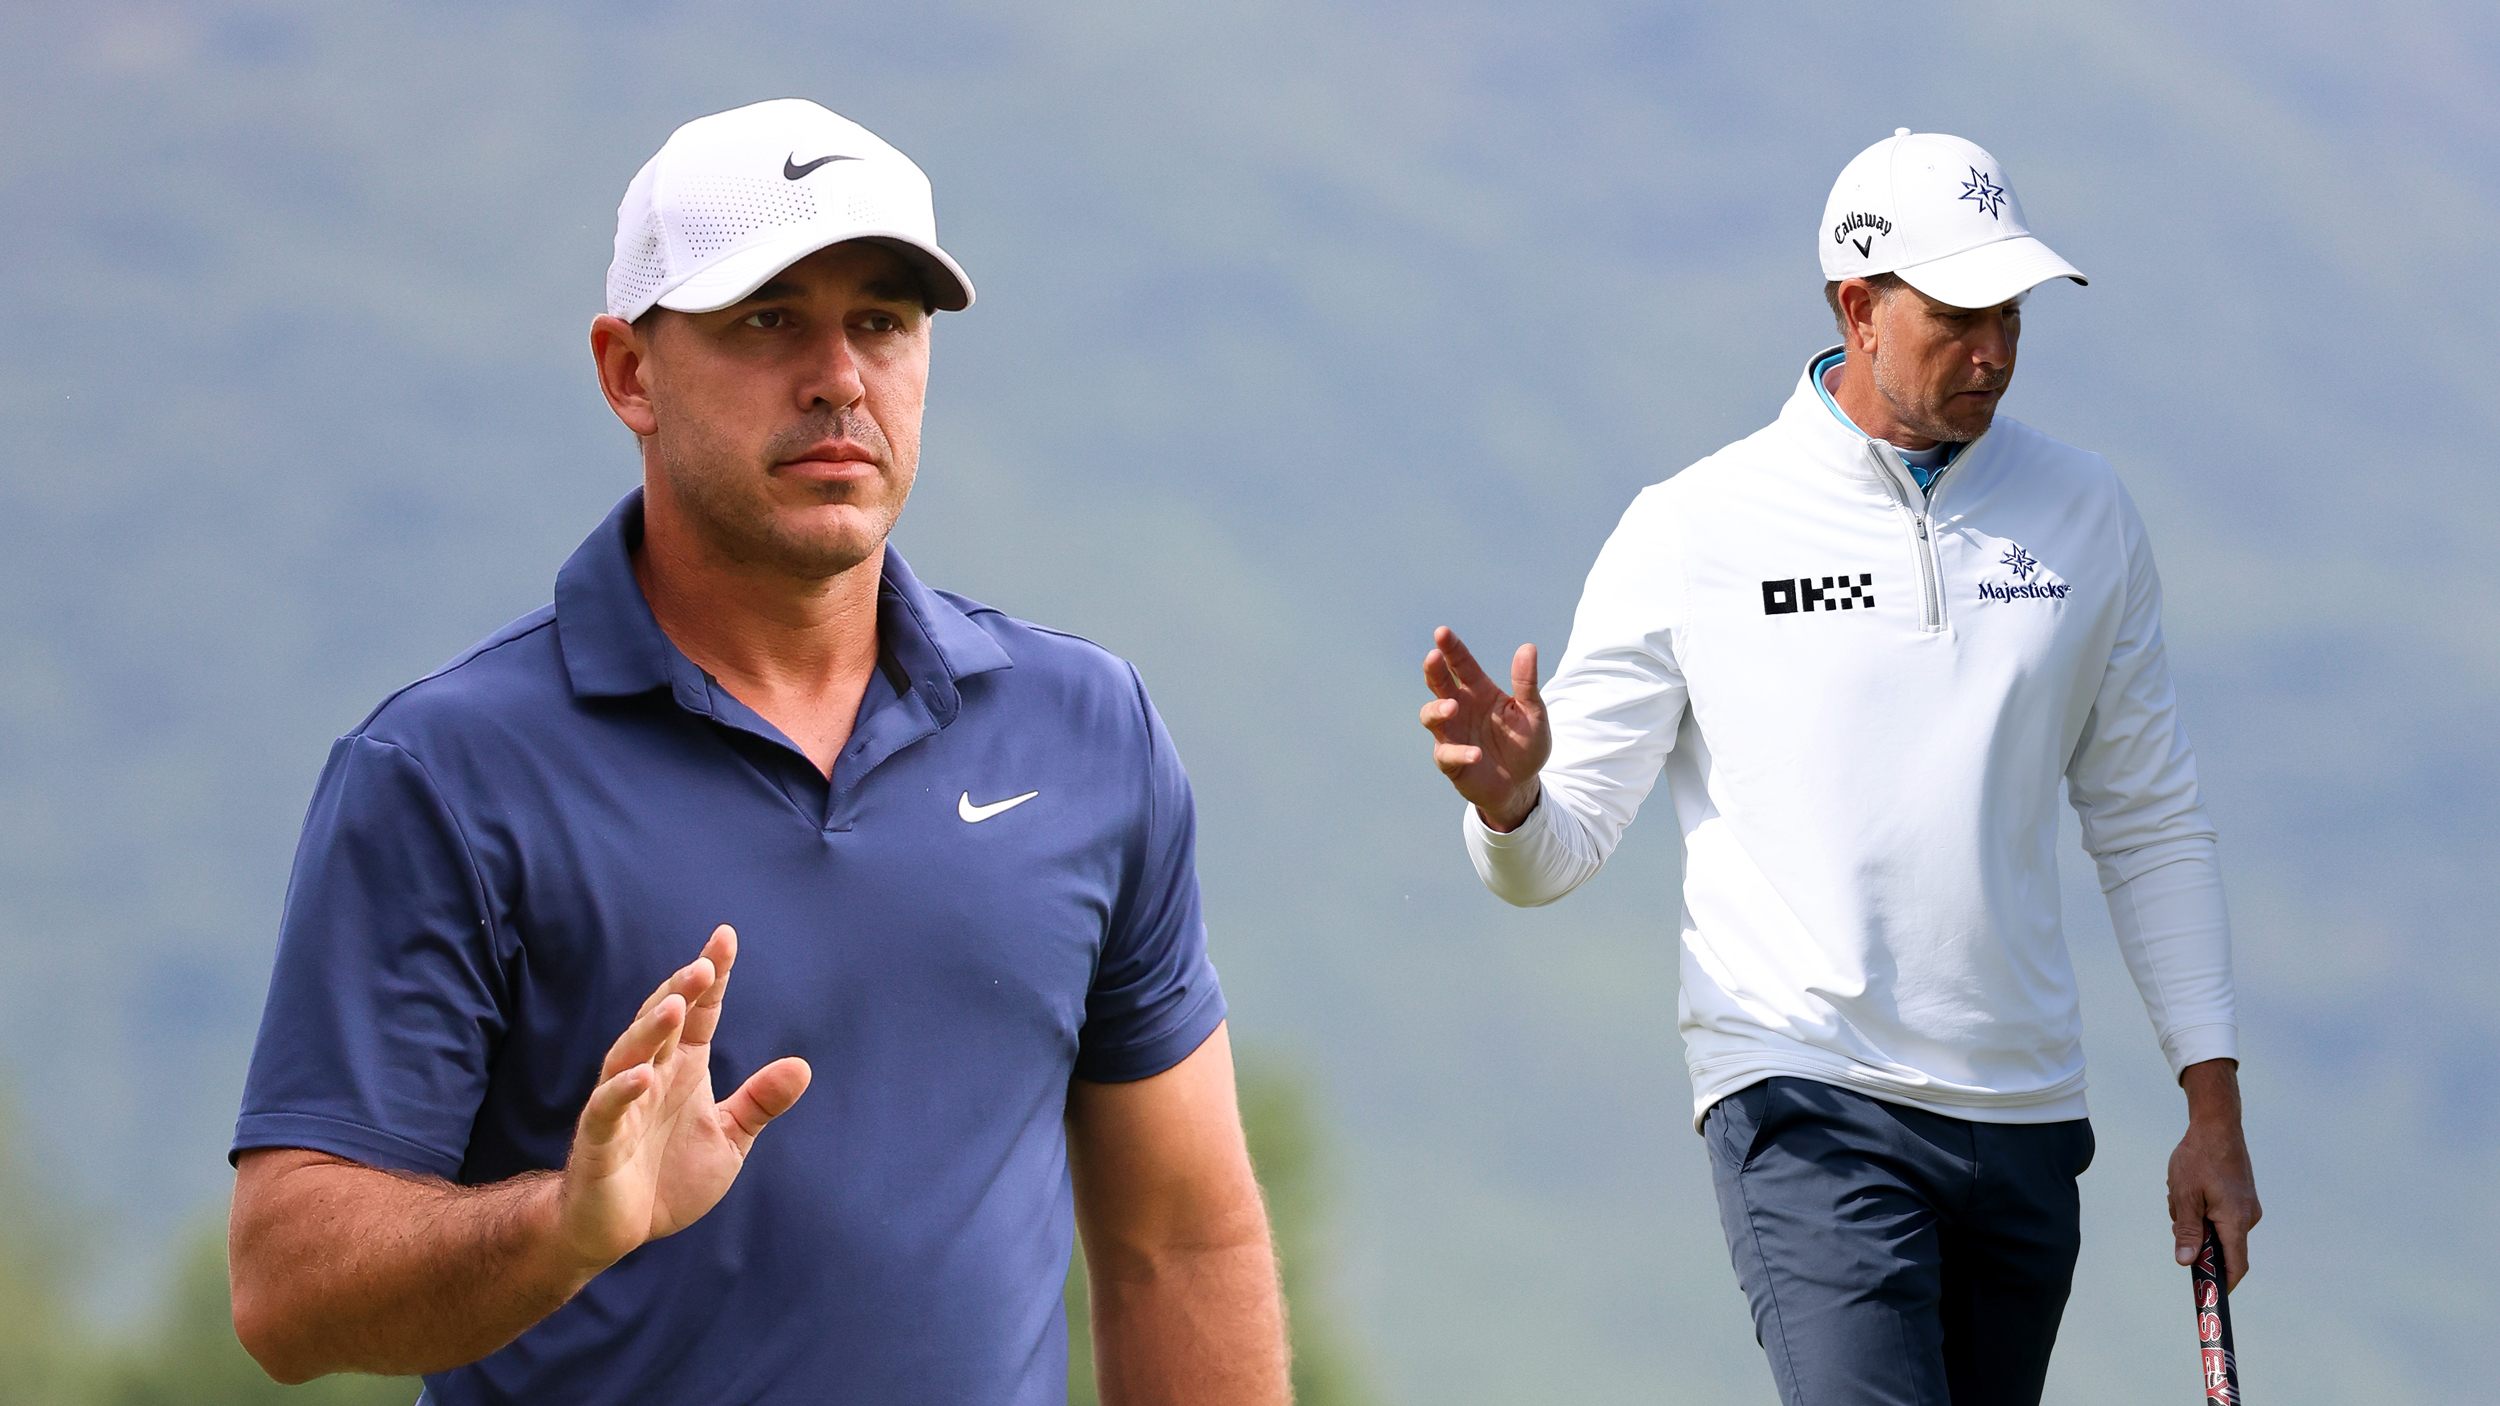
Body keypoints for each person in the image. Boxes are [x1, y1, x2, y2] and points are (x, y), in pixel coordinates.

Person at [227, 98, 1288, 1406]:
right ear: (629, 372)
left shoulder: (1084, 732)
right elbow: (284, 1290)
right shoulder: (446, 772)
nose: (839, 373)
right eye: (767, 318)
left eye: (884, 322)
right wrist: (568, 1222)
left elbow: (1176, 1242)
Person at [1420, 129, 2260, 1406]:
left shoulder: (2086, 512)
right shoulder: (1694, 525)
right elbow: (1555, 852)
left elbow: (2147, 822)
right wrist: (1511, 799)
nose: (1993, 351)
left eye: (2012, 313)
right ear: (1856, 309)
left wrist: (2212, 1106)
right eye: (1956, 314)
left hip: (2027, 1111)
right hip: (1808, 1101)